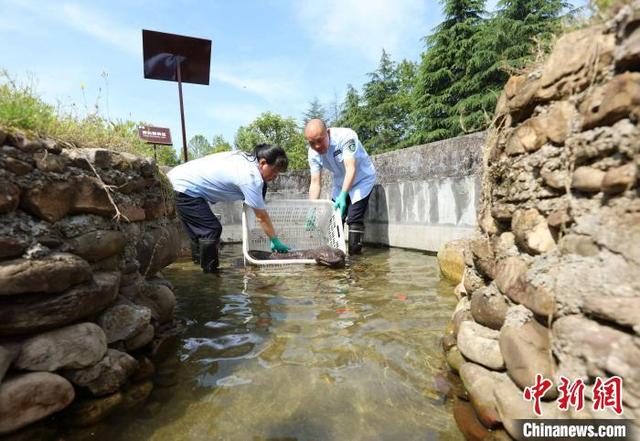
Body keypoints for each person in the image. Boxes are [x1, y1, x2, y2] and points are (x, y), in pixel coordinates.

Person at [168, 144, 290, 272]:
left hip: (180, 180)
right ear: (263, 162)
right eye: (274, 171)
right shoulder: (250, 177)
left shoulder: (246, 159)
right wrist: (275, 240)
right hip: (183, 187)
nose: (275, 176)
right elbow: (261, 216)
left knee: (199, 232)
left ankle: (198, 266)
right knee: (210, 229)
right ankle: (210, 274)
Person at [304, 119, 376, 254]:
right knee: (334, 218)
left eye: (320, 140)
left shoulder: (346, 137)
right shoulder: (312, 153)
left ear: (327, 132)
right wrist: (312, 207)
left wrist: (344, 196)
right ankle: (335, 255)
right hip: (340, 182)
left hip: (361, 179)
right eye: (312, 143)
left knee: (354, 217)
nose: (317, 146)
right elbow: (315, 181)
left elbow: (351, 168)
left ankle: (355, 260)